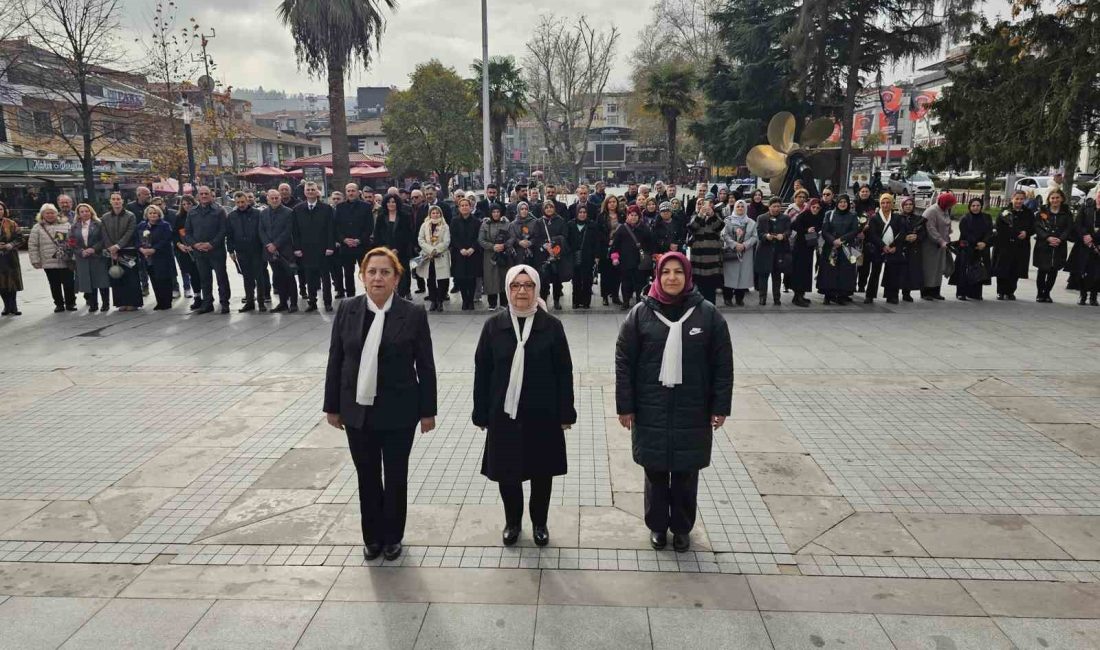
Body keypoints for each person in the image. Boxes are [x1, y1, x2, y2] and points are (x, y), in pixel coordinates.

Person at [324, 247, 437, 562]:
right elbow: (336, 359)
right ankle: (371, 537)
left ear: (397, 277)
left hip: (400, 410)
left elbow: (425, 366)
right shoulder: (347, 309)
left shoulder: (412, 313)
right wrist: (331, 406)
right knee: (367, 476)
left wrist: (428, 412)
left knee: (396, 475)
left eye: (385, 272)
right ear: (362, 276)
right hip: (357, 410)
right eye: (371, 271)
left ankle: (393, 537)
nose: (377, 277)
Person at [615, 252, 733, 552]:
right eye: (665, 272)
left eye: (678, 272)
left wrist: (720, 407)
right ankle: (657, 525)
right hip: (650, 408)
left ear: (687, 275)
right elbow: (624, 362)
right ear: (657, 275)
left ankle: (681, 528)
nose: (671, 278)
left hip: (692, 409)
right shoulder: (640, 314)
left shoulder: (707, 315)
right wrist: (625, 406)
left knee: (685, 472)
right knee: (654, 472)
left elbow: (722, 365)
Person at [473, 264, 575, 547]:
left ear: (537, 290)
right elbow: (482, 370)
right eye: (516, 285)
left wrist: (566, 413)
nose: (521, 291)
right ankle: (513, 522)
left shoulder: (551, 327)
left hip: (543, 413)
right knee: (508, 473)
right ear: (507, 289)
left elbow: (564, 372)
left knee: (542, 473)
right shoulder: (494, 326)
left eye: (528, 285)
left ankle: (539, 522)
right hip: (504, 413)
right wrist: (480, 411)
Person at [292, 182, 337, 312]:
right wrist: (297, 248)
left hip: (323, 248)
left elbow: (330, 229)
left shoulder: (326, 208)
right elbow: (295, 232)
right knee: (309, 277)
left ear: (318, 192)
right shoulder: (297, 209)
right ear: (304, 192)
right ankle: (312, 302)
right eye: (308, 190)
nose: (310, 192)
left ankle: (328, 302)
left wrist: (330, 246)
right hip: (306, 249)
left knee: (325, 278)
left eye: (313, 189)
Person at [185, 186, 230, 314]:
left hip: (216, 250)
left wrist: (212, 244)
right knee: (204, 278)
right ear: (198, 196)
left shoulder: (219, 210)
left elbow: (223, 230)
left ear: (211, 195)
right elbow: (187, 232)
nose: (204, 196)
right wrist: (195, 245)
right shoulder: (192, 212)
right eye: (201, 194)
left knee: (221, 277)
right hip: (199, 251)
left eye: (206, 193)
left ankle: (224, 302)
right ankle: (207, 303)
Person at [27, 203, 77, 313]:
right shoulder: (37, 227)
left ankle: (71, 302)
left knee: (69, 283)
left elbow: (73, 241)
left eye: (52, 213)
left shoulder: (65, 224)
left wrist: (72, 254)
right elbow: (33, 245)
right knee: (54, 284)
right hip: (49, 261)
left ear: (56, 213)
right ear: (42, 215)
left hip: (65, 260)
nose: (50, 215)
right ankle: (59, 304)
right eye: (47, 213)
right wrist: (35, 260)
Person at [864, 194, 908, 305]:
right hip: (878, 249)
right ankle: (870, 295)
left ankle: (892, 296)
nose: (885, 205)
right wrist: (883, 246)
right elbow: (872, 234)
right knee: (875, 272)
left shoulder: (897, 218)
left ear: (892, 204)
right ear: (880, 204)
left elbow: (902, 233)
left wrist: (895, 247)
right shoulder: (874, 218)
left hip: (893, 249)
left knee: (893, 273)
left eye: (888, 202)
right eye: (883, 202)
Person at [260, 189, 299, 313]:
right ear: (268, 199)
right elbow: (261, 230)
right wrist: (268, 244)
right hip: (270, 251)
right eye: (272, 198)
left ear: (280, 198)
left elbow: (288, 231)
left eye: (277, 198)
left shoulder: (288, 212)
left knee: (290, 277)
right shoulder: (263, 213)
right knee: (278, 277)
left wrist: (276, 244)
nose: (275, 200)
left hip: (285, 250)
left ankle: (293, 303)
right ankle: (282, 303)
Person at [101, 192, 142, 311]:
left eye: (118, 199)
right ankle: (121, 303)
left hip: (128, 251)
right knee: (117, 277)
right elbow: (104, 234)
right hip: (112, 253)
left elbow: (130, 232)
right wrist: (111, 248)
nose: (116, 201)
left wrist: (118, 246)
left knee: (131, 278)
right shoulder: (105, 217)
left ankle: (133, 303)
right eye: (113, 199)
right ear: (110, 201)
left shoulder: (130, 216)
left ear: (122, 201)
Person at [227, 192, 267, 312]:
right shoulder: (232, 216)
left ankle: (261, 302)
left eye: (243, 202)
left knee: (259, 277)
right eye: (238, 202)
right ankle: (250, 301)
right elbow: (229, 235)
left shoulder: (257, 214)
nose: (241, 204)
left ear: (247, 201)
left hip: (256, 250)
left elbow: (262, 231)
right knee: (247, 277)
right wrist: (230, 250)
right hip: (241, 251)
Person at [1033, 188, 1073, 303]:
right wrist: (1047, 237)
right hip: (1044, 245)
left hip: (1059, 246)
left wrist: (1060, 239)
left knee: (1053, 270)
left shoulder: (1066, 213)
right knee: (1042, 270)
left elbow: (1068, 228)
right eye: (1053, 198)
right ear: (1049, 199)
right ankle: (1040, 293)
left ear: (1062, 199)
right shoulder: (1043, 212)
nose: (1055, 200)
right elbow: (1037, 226)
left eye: (1057, 198)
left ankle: (1047, 293)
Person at [993, 190, 1034, 301]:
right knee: (1002, 268)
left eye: (1021, 199)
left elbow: (1033, 227)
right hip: (1005, 245)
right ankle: (1000, 291)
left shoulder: (1028, 213)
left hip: (1021, 246)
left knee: (1015, 269)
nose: (1019, 201)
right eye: (1017, 199)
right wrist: (1013, 233)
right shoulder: (1005, 211)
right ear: (1012, 199)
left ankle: (1010, 291)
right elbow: (999, 227)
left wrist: (1026, 233)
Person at [372, 194, 416, 299]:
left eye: (393, 202)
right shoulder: (381, 216)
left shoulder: (405, 216)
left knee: (403, 272)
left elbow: (408, 234)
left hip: (402, 250)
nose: (391, 204)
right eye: (389, 202)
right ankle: (390, 293)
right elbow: (377, 234)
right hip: (386, 250)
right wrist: (386, 249)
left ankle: (404, 293)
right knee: (388, 272)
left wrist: (398, 249)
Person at [334, 183, 374, 299]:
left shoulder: (366, 207)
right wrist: (344, 240)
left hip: (362, 246)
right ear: (346, 192)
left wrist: (359, 240)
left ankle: (370, 295)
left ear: (358, 192)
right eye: (348, 191)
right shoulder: (340, 207)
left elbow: (369, 226)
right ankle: (351, 297)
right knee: (348, 274)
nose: (351, 193)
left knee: (366, 272)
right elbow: (336, 227)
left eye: (353, 191)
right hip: (346, 246)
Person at [818, 194, 859, 305]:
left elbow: (855, 230)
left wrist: (841, 240)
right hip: (831, 247)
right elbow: (825, 230)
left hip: (847, 247)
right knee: (829, 270)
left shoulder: (853, 215)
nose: (842, 204)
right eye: (840, 202)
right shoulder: (829, 214)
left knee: (845, 271)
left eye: (845, 202)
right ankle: (828, 295)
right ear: (837, 203)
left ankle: (842, 295)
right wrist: (833, 241)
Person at [950, 198, 993, 301]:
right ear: (970, 207)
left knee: (979, 270)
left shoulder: (987, 217)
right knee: (964, 271)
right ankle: (961, 293)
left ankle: (975, 293)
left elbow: (990, 231)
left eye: (978, 205)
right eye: (973, 206)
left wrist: (985, 243)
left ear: (981, 206)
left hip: (982, 248)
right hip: (967, 247)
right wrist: (976, 243)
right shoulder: (965, 218)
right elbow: (965, 233)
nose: (975, 208)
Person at [611, 205, 653, 309]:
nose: (633, 217)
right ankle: (626, 302)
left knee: (640, 283)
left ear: (639, 216)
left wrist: (651, 255)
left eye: (636, 215)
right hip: (625, 261)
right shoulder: (622, 228)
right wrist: (615, 257)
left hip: (640, 261)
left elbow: (651, 244)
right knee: (626, 282)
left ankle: (639, 303)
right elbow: (615, 245)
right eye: (631, 215)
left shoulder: (644, 228)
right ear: (627, 216)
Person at [71, 203, 111, 312]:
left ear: (91, 212)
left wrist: (93, 249)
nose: (85, 213)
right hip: (83, 258)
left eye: (86, 211)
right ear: (78, 214)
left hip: (97, 256)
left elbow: (104, 239)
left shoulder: (99, 224)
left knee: (102, 281)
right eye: (82, 212)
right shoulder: (74, 226)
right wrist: (80, 251)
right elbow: (72, 242)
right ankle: (93, 304)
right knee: (89, 281)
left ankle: (105, 304)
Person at [136, 205, 176, 310]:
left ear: (159, 214)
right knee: (154, 280)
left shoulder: (165, 225)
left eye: (155, 213)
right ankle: (159, 301)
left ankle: (167, 302)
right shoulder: (141, 226)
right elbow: (136, 239)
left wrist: (154, 249)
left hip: (162, 257)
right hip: (148, 258)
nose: (153, 215)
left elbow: (167, 240)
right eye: (150, 213)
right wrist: (141, 249)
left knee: (164, 280)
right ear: (146, 215)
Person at [687, 197, 725, 304]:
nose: (702, 206)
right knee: (698, 286)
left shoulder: (715, 216)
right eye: (699, 204)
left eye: (704, 204)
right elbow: (692, 228)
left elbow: (719, 226)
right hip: (698, 258)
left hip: (712, 259)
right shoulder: (694, 217)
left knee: (710, 288)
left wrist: (711, 215)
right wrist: (700, 215)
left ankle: (711, 308)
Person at [754, 198, 791, 306]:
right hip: (765, 249)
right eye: (774, 206)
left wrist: (783, 235)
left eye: (778, 206)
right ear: (769, 207)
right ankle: (762, 297)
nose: (776, 209)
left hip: (779, 250)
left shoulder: (785, 218)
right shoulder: (761, 218)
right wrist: (766, 236)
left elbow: (789, 231)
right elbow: (759, 232)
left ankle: (776, 298)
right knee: (763, 275)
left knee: (777, 275)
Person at [720, 199, 757, 306]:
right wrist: (734, 244)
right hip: (731, 252)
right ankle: (728, 298)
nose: (740, 208)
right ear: (734, 208)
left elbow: (755, 237)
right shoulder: (728, 220)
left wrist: (744, 245)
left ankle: (739, 298)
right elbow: (724, 235)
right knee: (729, 276)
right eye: (738, 206)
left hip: (745, 253)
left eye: (742, 206)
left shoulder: (751, 222)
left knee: (743, 276)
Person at [535, 201, 570, 310]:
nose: (549, 209)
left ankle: (556, 300)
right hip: (544, 255)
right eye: (547, 207)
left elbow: (564, 235)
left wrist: (554, 245)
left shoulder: (560, 221)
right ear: (543, 209)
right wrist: (545, 245)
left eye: (551, 207)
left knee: (557, 279)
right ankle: (543, 301)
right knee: (544, 279)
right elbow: (536, 237)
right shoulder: (539, 222)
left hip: (557, 254)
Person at [448, 196, 481, 310]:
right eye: (462, 205)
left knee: (471, 278)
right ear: (459, 208)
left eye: (466, 205)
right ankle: (464, 300)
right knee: (461, 278)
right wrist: (460, 248)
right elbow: (453, 237)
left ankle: (471, 301)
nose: (464, 207)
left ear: (470, 207)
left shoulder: (477, 221)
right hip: (459, 254)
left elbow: (479, 237)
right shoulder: (454, 221)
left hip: (473, 253)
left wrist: (472, 248)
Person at [417, 205, 451, 312]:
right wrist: (430, 250)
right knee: (430, 280)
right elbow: (421, 239)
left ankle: (440, 301)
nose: (435, 215)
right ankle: (433, 300)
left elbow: (446, 241)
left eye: (437, 213)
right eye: (433, 213)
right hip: (428, 256)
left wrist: (436, 250)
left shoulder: (445, 226)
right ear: (430, 214)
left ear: (440, 214)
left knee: (442, 280)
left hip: (440, 255)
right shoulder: (424, 225)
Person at [789, 198, 823, 307]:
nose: (815, 209)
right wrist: (806, 230)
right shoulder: (804, 215)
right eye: (813, 207)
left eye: (818, 208)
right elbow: (794, 226)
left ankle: (801, 295)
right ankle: (797, 296)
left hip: (809, 247)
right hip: (800, 248)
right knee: (799, 272)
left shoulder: (818, 216)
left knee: (806, 271)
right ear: (809, 206)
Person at [921, 192, 955, 300]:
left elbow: (947, 225)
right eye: (950, 204)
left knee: (939, 268)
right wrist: (940, 241)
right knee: (929, 269)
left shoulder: (944, 210)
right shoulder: (931, 211)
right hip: (931, 246)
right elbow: (930, 229)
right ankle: (926, 292)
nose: (951, 206)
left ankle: (936, 291)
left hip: (942, 246)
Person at [567, 204, 600, 309]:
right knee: (576, 280)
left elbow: (596, 242)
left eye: (584, 212)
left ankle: (586, 302)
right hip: (574, 256)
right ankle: (576, 301)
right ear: (577, 213)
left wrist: (596, 255)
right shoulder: (570, 224)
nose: (582, 214)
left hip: (588, 256)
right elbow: (567, 241)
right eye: (580, 212)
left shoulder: (592, 225)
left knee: (587, 280)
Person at [478, 204, 510, 311]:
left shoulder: (506, 223)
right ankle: (492, 303)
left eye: (498, 212)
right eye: (493, 212)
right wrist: (492, 247)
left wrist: (504, 246)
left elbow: (511, 237)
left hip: (503, 254)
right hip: (490, 255)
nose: (496, 214)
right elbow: (481, 240)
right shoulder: (485, 224)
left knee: (503, 277)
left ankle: (504, 302)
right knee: (490, 278)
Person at [1068, 199, 1100, 306]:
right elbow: (1078, 223)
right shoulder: (1087, 206)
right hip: (1084, 244)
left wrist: (1095, 240)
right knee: (1082, 271)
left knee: (1097, 274)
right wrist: (1085, 235)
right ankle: (1083, 294)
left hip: (1098, 245)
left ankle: (1094, 296)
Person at [598, 195, 625, 306]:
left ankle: (615, 295)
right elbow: (598, 232)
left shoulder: (622, 215)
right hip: (606, 248)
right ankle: (605, 296)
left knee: (617, 273)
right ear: (606, 204)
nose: (612, 204)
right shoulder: (601, 216)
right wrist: (607, 241)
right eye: (610, 202)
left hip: (618, 248)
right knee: (605, 274)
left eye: (614, 202)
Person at [168, 196, 196, 302]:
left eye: (189, 204)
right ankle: (191, 291)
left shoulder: (197, 215)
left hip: (197, 248)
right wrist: (179, 244)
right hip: (183, 249)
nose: (186, 206)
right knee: (187, 270)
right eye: (184, 204)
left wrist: (193, 245)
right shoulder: (179, 217)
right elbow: (175, 233)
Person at [898, 197, 926, 302]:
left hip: (913, 249)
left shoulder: (918, 219)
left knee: (910, 271)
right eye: (906, 204)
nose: (908, 206)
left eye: (910, 204)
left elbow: (924, 233)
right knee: (899, 271)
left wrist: (917, 237)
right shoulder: (897, 218)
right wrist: (904, 237)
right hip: (901, 248)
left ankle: (907, 293)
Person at [0, 201, 24, 316]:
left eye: (0, 209)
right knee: (1, 283)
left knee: (12, 281)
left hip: (10, 257)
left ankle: (13, 306)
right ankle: (6, 306)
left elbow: (20, 238)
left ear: (4, 210)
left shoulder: (11, 223)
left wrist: (11, 245)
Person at [853, 185, 876, 293]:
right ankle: (851, 285)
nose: (865, 193)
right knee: (854, 261)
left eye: (867, 191)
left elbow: (876, 219)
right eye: (862, 191)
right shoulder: (854, 204)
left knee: (865, 264)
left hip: (868, 239)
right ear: (859, 193)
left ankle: (862, 285)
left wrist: (869, 226)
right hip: (855, 238)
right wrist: (858, 230)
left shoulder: (874, 204)